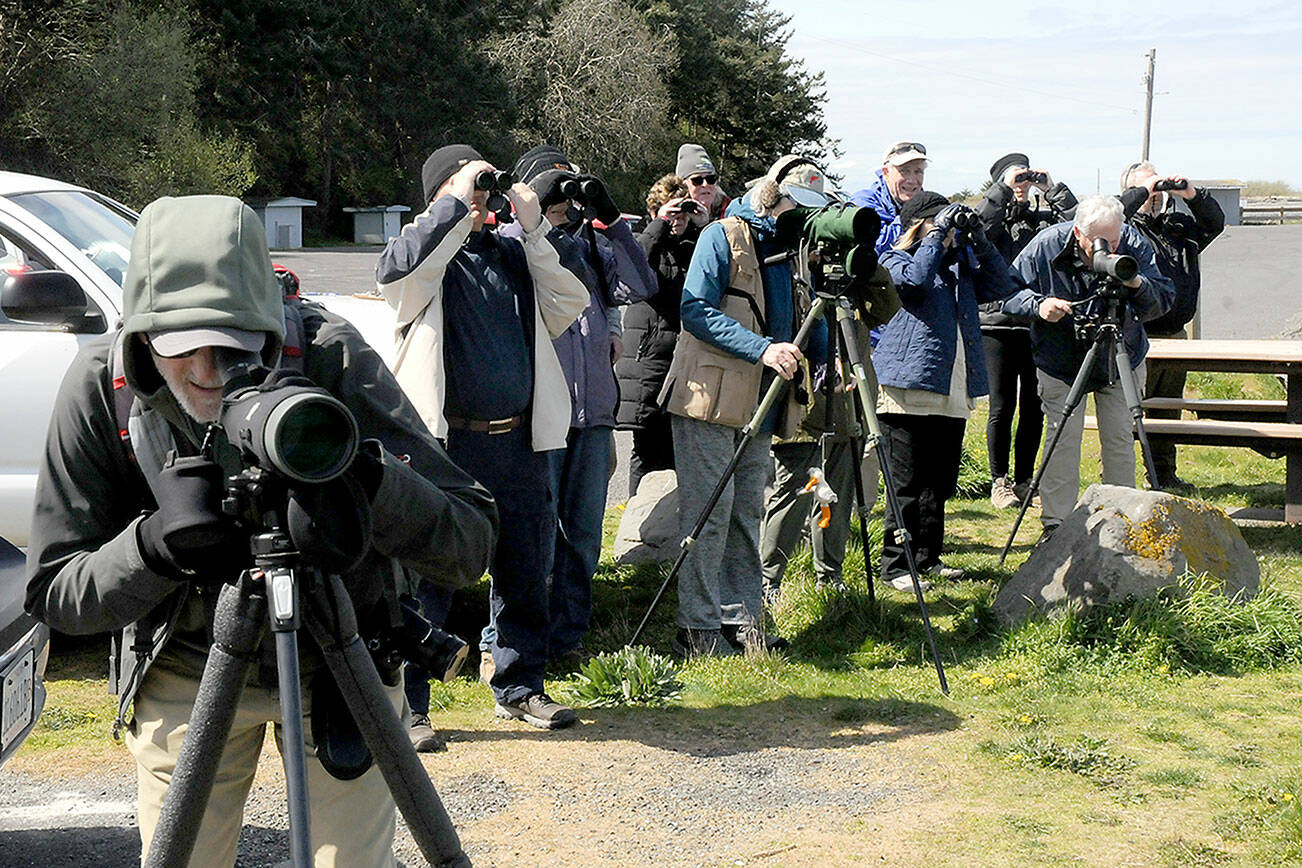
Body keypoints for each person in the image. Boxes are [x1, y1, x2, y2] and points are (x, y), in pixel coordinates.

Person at [23, 194, 497, 866]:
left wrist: (365, 478)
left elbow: (470, 541)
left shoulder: (327, 358)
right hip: (188, 662)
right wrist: (153, 547)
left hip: (340, 656)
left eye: (236, 346)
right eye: (186, 349)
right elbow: (55, 594)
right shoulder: (105, 387)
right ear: (142, 335)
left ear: (271, 330)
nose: (210, 372)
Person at [378, 144, 591, 731]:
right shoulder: (424, 264)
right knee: (429, 574)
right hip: (448, 443)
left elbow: (570, 300)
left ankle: (519, 685)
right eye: (464, 188)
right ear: (438, 198)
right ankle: (410, 703)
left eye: (482, 187)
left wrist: (533, 226)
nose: (478, 196)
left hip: (518, 441)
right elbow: (396, 273)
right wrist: (453, 201)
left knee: (526, 567)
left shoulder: (511, 254)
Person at [659, 153, 829, 656]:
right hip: (707, 397)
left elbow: (803, 315)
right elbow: (694, 310)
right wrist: (763, 348)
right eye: (798, 204)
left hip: (761, 400)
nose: (803, 215)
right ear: (774, 195)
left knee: (746, 511)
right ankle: (698, 627)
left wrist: (825, 361)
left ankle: (742, 619)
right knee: (710, 512)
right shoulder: (722, 235)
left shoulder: (791, 245)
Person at [508, 144, 657, 668]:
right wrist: (532, 217)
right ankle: (507, 644)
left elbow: (642, 285)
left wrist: (612, 218)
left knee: (583, 535)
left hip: (592, 413)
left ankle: (567, 639)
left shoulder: (590, 244)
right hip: (538, 414)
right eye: (555, 183)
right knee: (532, 538)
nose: (564, 194)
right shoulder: (513, 242)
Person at [1002, 194, 1175, 538]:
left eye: (1115, 239)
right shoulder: (1046, 246)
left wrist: (1137, 283)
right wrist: (1039, 305)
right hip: (1061, 359)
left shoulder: (1134, 244)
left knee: (1120, 439)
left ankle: (1122, 522)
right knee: (1062, 439)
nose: (1109, 248)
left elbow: (1165, 299)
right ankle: (1057, 525)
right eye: (1101, 241)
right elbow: (1006, 293)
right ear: (1078, 233)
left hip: (1120, 354)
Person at [874, 192, 1020, 590]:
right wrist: (937, 236)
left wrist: (980, 239)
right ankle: (895, 565)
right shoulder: (895, 258)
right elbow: (916, 283)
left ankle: (927, 559)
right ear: (919, 225)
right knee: (905, 481)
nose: (950, 229)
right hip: (907, 382)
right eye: (940, 221)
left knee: (938, 480)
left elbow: (1003, 284)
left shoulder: (961, 265)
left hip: (952, 382)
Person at [976, 152, 1078, 508]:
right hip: (997, 323)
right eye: (1014, 180)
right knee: (1001, 406)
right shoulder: (992, 223)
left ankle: (1025, 480)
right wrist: (1002, 191)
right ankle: (998, 481)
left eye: (1025, 179)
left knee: (1034, 406)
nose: (1022, 186)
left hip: (1036, 322)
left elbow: (1078, 225)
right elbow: (980, 225)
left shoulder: (1043, 221)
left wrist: (1052, 190)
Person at [1120, 161, 1226, 493]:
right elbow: (1113, 213)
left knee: (1167, 408)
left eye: (1157, 188)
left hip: (1175, 335)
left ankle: (1163, 475)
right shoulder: (1121, 228)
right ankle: (1121, 477)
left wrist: (1189, 193)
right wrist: (1140, 194)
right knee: (1126, 409)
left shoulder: (1179, 225)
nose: (1155, 196)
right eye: (1146, 190)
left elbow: (1215, 222)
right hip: (1136, 332)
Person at [616, 174, 708, 496]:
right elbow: (633, 265)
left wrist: (703, 225)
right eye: (673, 212)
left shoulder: (692, 247)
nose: (678, 219)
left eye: (683, 212)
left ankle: (666, 531)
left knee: (675, 452)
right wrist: (659, 223)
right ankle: (634, 526)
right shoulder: (647, 243)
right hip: (649, 364)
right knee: (645, 452)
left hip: (683, 364)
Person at [850, 141, 929, 254]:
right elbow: (874, 247)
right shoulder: (864, 202)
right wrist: (912, 215)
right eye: (904, 171)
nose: (912, 180)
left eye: (918, 172)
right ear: (886, 173)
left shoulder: (929, 204)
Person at [676, 142, 731, 220]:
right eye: (697, 180)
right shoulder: (674, 218)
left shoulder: (730, 211)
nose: (705, 184)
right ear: (683, 185)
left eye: (710, 179)